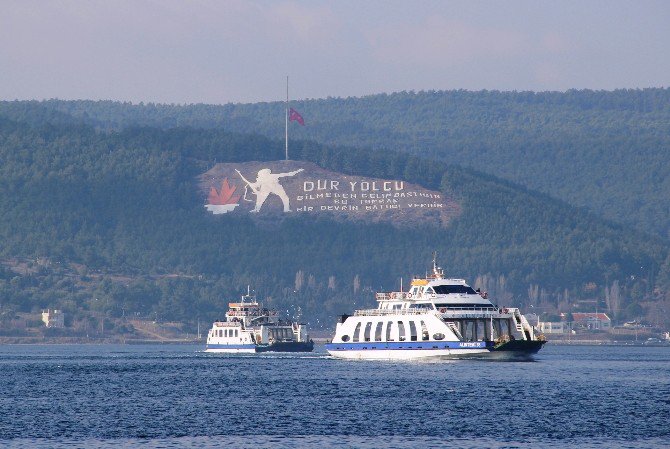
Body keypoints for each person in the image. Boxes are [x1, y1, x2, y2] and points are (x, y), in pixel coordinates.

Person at [236, 168, 303, 213]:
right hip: (269, 188)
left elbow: (287, 174)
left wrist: (297, 171)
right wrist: (297, 171)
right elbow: (288, 174)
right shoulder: (265, 178)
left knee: (284, 198)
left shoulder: (266, 177)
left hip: (274, 187)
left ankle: (257, 210)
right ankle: (286, 209)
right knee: (284, 198)